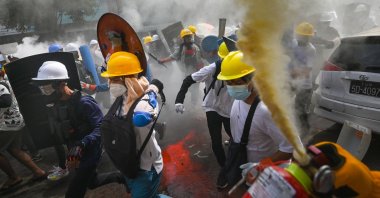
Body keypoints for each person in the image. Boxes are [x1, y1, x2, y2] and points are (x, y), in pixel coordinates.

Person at [31, 61, 125, 197]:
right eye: (42, 87)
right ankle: (121, 177)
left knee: (74, 193)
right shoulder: (56, 104)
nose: (44, 91)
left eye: (47, 87)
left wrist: (82, 144)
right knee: (92, 182)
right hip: (75, 152)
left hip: (91, 151)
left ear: (61, 83)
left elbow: (102, 127)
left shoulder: (84, 102)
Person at [216, 51, 294, 188]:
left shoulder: (268, 110)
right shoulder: (239, 99)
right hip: (247, 169)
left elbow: (289, 148)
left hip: (266, 176)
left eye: (237, 82)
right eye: (228, 82)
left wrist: (261, 165)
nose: (233, 87)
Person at [101, 51, 166, 197]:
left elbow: (141, 117)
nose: (110, 83)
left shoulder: (145, 102)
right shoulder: (122, 97)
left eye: (113, 79)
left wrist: (153, 89)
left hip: (146, 168)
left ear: (127, 79)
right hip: (129, 164)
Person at [175, 42, 233, 169]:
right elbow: (188, 80)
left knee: (235, 136)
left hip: (230, 109)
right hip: (212, 107)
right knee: (216, 141)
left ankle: (235, 159)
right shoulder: (212, 68)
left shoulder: (240, 67)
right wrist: (179, 100)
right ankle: (224, 169)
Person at [0, 73, 46, 191]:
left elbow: (5, 101)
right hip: (15, 122)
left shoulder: (1, 85)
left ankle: (13, 177)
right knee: (15, 149)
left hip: (6, 125)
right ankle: (38, 171)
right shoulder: (4, 82)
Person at [159, 29, 204, 105]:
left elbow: (200, 61)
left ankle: (195, 105)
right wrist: (163, 60)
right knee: (190, 88)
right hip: (186, 72)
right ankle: (196, 99)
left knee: (194, 89)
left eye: (189, 37)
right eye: (186, 37)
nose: (188, 39)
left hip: (195, 72)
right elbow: (173, 57)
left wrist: (200, 72)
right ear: (183, 39)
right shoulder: (181, 48)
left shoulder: (196, 47)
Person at [289, 22, 317, 135]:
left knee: (299, 109)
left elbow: (307, 71)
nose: (303, 38)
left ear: (310, 37)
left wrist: (290, 73)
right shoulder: (293, 44)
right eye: (301, 36)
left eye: (305, 37)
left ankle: (305, 130)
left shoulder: (311, 49)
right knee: (287, 105)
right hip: (292, 81)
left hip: (304, 84)